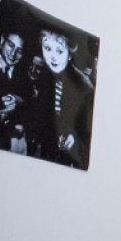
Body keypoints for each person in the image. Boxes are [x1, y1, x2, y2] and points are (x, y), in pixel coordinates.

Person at [30, 28, 94, 168]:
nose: (52, 57)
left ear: (70, 55)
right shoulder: (42, 74)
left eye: (59, 51)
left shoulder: (83, 87)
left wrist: (74, 136)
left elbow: (87, 129)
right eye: (47, 48)